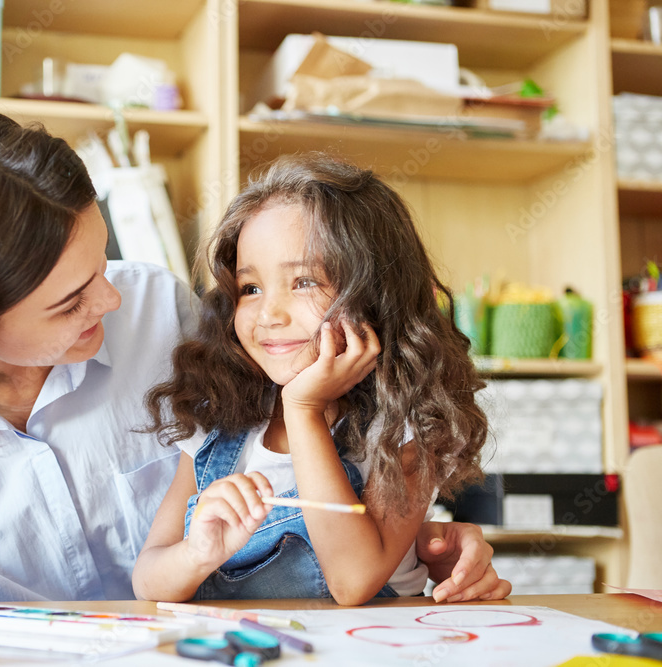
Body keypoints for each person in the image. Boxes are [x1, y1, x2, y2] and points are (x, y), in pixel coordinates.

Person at [0, 107, 508, 608]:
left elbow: (319, 444)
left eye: (97, 264)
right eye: (69, 302)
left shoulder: (154, 312)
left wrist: (416, 533)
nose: (112, 299)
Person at [133, 153, 501, 605]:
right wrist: (196, 554)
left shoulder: (406, 429)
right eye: (250, 288)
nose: (268, 314)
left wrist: (303, 411)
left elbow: (353, 581)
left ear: (376, 294)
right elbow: (147, 578)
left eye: (304, 281)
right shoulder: (223, 419)